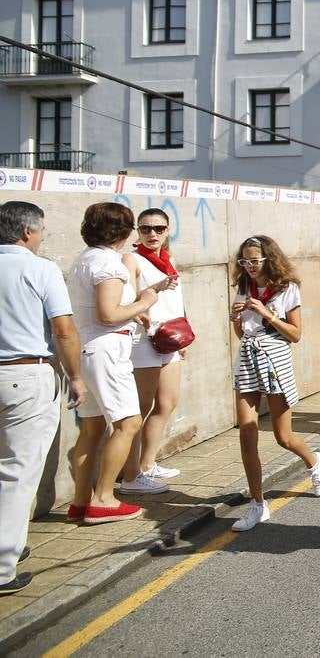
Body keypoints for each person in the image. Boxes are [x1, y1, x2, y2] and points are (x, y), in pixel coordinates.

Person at [68, 203, 173, 525]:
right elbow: (108, 314)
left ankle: (81, 501)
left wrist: (132, 308)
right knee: (128, 423)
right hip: (106, 350)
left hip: (87, 348)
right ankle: (103, 500)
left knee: (93, 427)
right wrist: (145, 301)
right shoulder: (109, 264)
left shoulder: (84, 260)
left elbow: (102, 308)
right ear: (125, 231)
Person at [0, 202, 84, 595]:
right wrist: (77, 377)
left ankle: (11, 546)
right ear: (27, 232)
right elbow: (64, 331)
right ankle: (3, 568)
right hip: (24, 375)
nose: (44, 236)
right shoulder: (40, 268)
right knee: (18, 473)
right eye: (42, 230)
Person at [229, 236, 320, 531]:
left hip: (275, 358)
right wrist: (236, 319)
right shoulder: (243, 287)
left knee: (282, 436)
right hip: (248, 356)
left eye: (254, 261)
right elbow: (242, 333)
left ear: (268, 259)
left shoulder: (287, 289)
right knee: (247, 432)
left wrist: (266, 313)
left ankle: (314, 462)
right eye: (244, 261)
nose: (248, 267)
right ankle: (257, 505)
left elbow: (295, 334)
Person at [119, 209, 188, 494]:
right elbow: (129, 298)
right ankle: (131, 474)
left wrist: (184, 337)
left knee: (167, 402)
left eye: (158, 229)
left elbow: (178, 300)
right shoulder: (131, 259)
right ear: (137, 230)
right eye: (146, 229)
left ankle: (147, 463)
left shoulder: (168, 258)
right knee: (140, 407)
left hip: (171, 338)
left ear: (167, 230)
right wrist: (154, 288)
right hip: (143, 340)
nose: (152, 234)